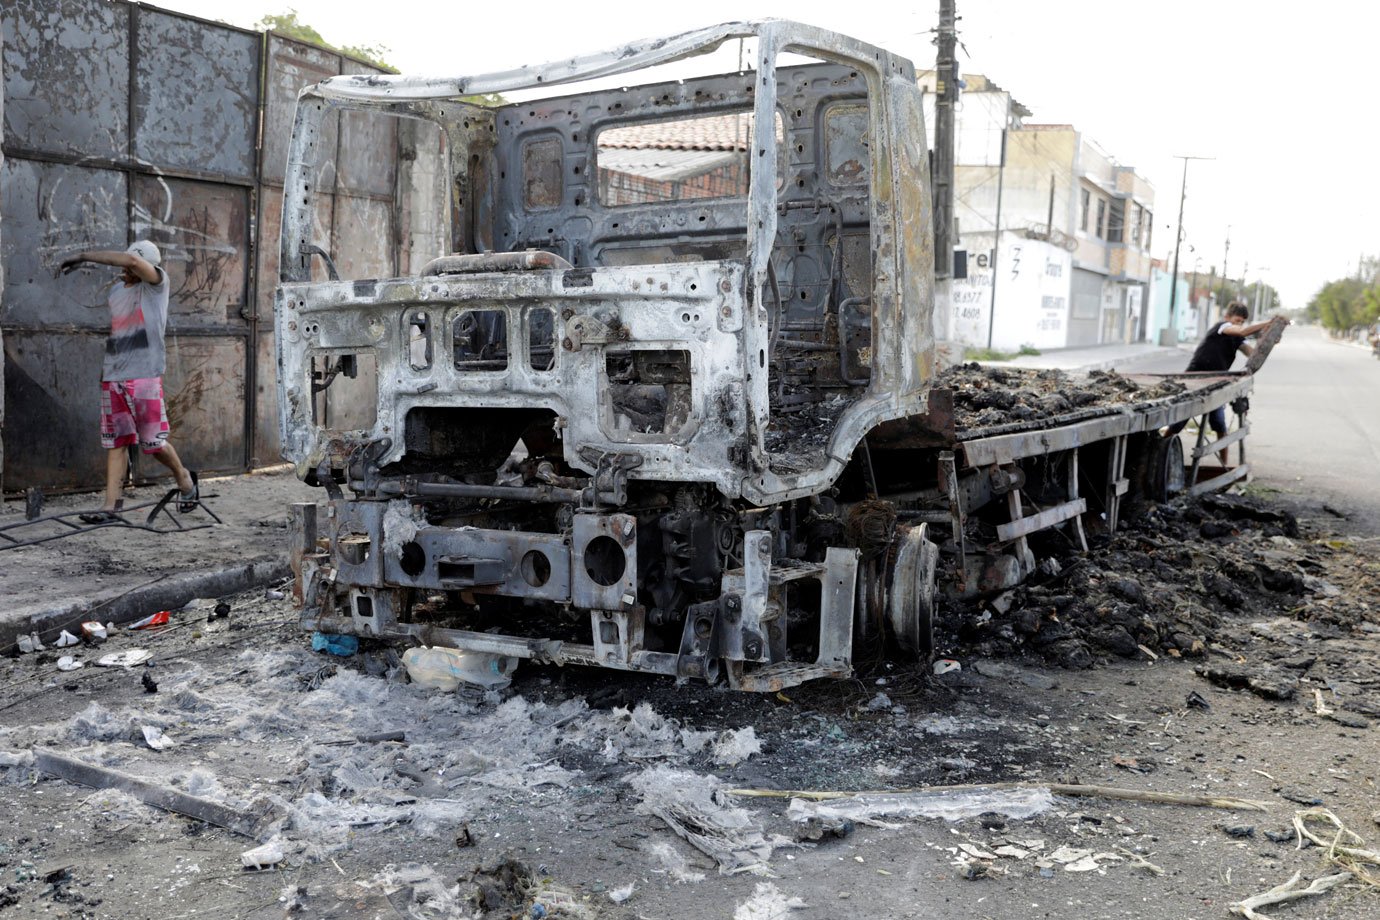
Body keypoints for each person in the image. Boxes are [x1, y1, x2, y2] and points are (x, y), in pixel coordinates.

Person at [59, 241, 198, 523]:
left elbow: (134, 263)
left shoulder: (156, 286)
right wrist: (107, 373)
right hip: (114, 376)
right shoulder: (117, 291)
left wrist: (84, 255)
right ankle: (110, 507)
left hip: (144, 376)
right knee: (116, 442)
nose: (126, 268)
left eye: (130, 263)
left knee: (153, 443)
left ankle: (184, 479)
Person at [1166, 301, 1279, 465]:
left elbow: (1253, 354)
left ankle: (1223, 465)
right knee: (1178, 423)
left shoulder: (1238, 340)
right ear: (1227, 317)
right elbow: (1244, 331)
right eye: (1237, 320)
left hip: (1215, 385)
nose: (1238, 324)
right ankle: (1158, 452)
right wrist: (1269, 323)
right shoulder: (1221, 327)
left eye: (1241, 321)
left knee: (1219, 425)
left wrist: (1269, 340)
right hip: (1194, 380)